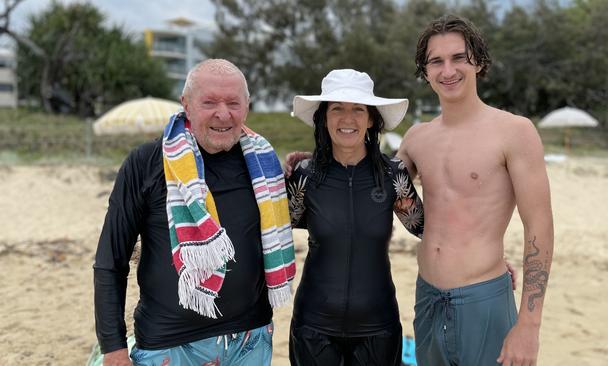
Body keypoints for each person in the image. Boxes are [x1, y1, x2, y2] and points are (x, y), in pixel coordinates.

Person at [93, 59, 296, 366]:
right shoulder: (147, 163)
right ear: (186, 105)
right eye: (210, 102)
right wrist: (113, 347)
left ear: (247, 107)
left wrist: (314, 168)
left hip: (250, 341)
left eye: (233, 103)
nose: (223, 114)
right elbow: (111, 261)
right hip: (168, 344)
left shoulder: (264, 167)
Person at [399, 15, 554, 366]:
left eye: (459, 57)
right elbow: (376, 190)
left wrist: (529, 324)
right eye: (436, 61)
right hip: (427, 297)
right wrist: (309, 164)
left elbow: (540, 226)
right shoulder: (416, 139)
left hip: (483, 300)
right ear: (425, 72)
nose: (448, 70)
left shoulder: (514, 132)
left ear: (478, 61)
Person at [286, 69, 424, 365]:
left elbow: (427, 229)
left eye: (358, 109)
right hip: (313, 327)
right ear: (323, 116)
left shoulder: (392, 175)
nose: (347, 119)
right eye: (337, 108)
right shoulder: (305, 176)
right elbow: (273, 229)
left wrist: (486, 259)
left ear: (371, 118)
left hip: (378, 328)